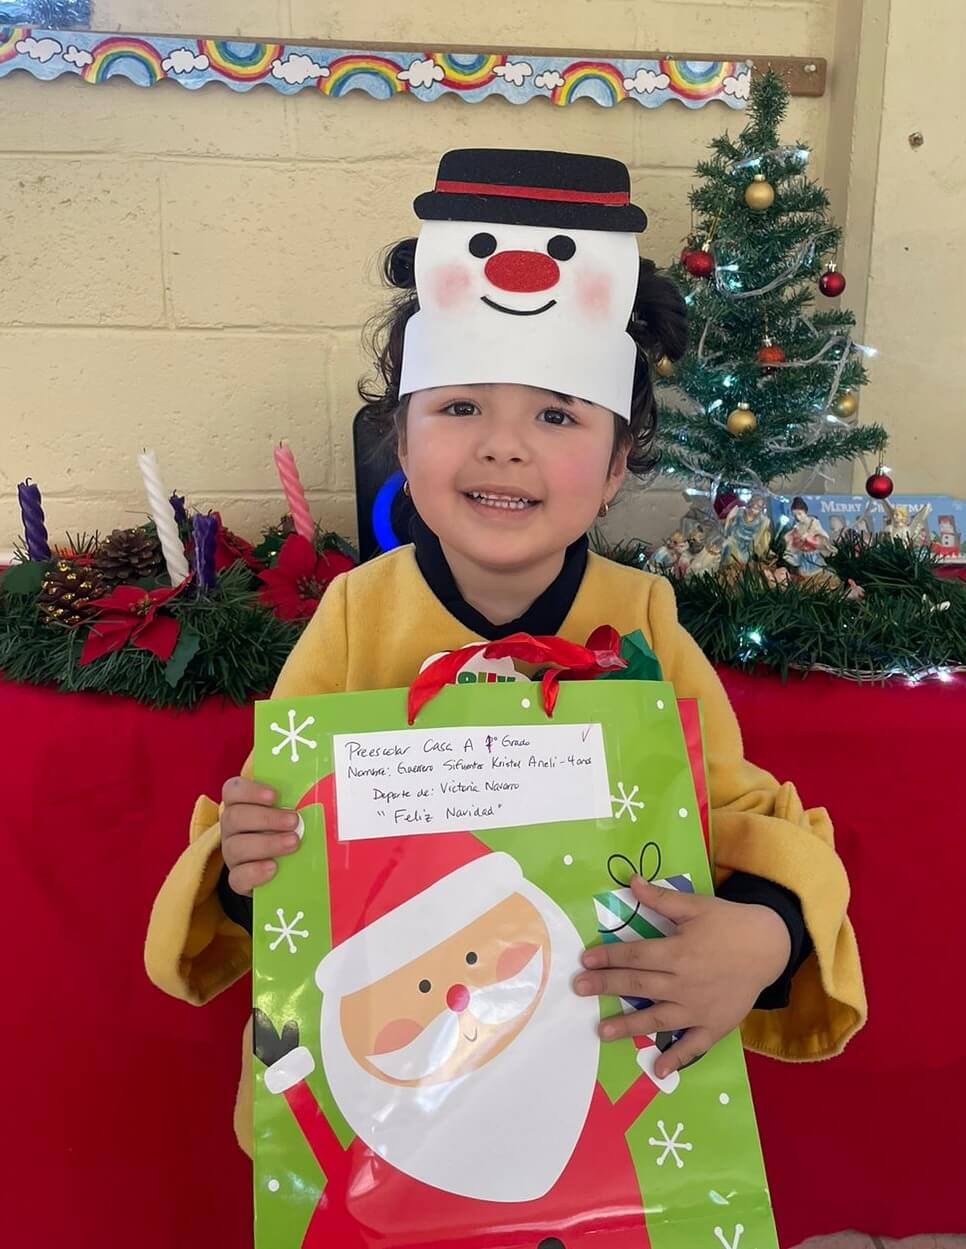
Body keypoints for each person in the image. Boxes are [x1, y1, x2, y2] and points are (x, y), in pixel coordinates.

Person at [145, 149, 864, 1232]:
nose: (503, 446)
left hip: (596, 1090)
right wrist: (250, 870)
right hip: (390, 1098)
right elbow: (276, 848)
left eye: (559, 417)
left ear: (621, 464)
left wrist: (765, 936)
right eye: (462, 405)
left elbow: (740, 820)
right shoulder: (354, 618)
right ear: (402, 433)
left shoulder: (648, 624)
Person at [784, 496, 833, 577]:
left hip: (814, 555)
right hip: (803, 556)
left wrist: (809, 537)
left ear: (805, 511)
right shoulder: (797, 527)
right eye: (795, 515)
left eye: (800, 514)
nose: (798, 517)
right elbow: (793, 541)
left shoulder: (814, 522)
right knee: (803, 573)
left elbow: (822, 536)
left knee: (819, 572)